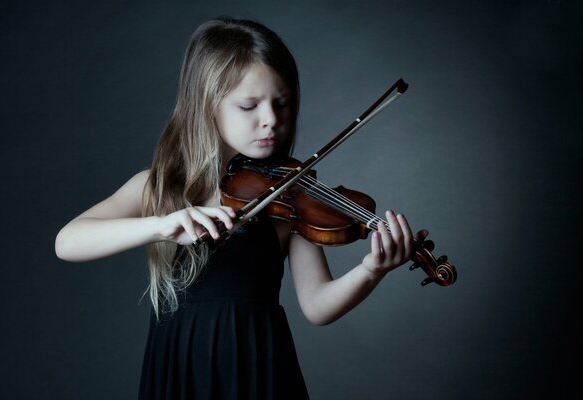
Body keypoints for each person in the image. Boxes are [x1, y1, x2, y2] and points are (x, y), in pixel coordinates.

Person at [55, 16, 426, 400]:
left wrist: (371, 270)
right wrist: (161, 225)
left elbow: (317, 305)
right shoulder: (160, 187)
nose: (271, 121)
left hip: (259, 369)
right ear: (207, 107)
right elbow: (67, 242)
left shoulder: (291, 196)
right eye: (249, 105)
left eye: (281, 104)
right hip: (180, 367)